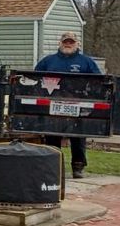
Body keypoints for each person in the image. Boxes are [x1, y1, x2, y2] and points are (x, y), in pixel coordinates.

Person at [34, 31, 102, 179]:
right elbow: (35, 78)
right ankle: (53, 166)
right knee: (52, 136)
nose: (68, 44)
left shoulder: (86, 62)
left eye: (71, 42)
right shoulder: (48, 61)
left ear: (77, 44)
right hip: (53, 104)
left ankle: (78, 167)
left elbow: (98, 81)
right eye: (65, 41)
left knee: (78, 137)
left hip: (78, 105)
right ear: (60, 43)